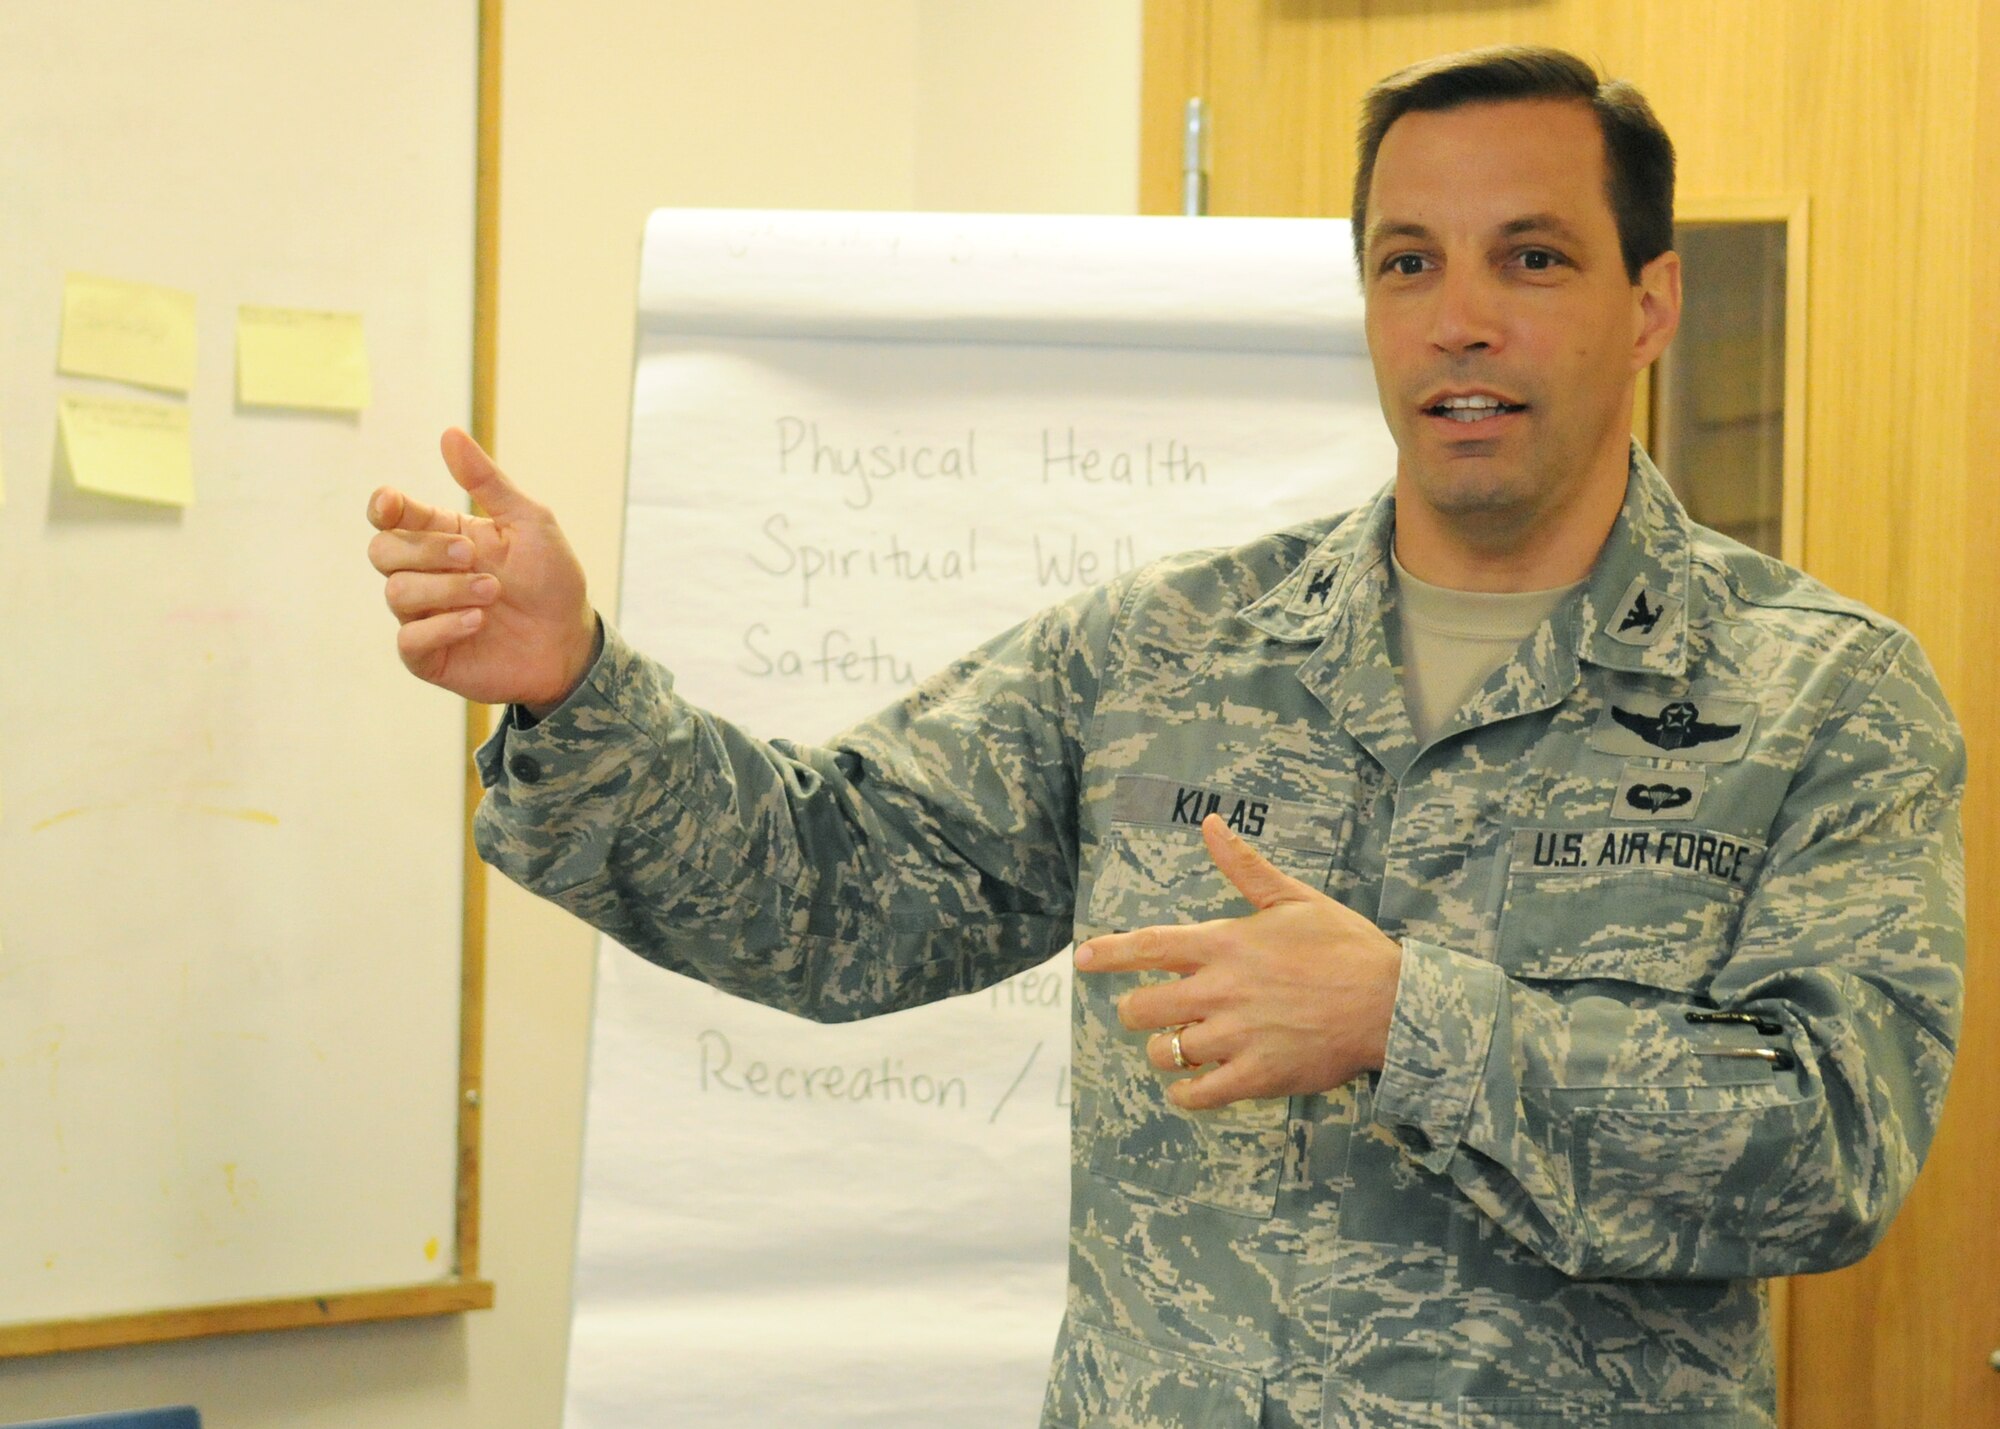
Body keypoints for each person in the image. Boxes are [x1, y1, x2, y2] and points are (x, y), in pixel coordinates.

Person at [366, 46, 1964, 1429]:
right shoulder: (1165, 650)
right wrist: (575, 684)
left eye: (1530, 259)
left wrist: (1410, 1023)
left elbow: (1831, 1140)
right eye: (1408, 264)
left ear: (1651, 302)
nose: (1460, 319)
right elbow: (826, 889)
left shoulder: (1819, 695)